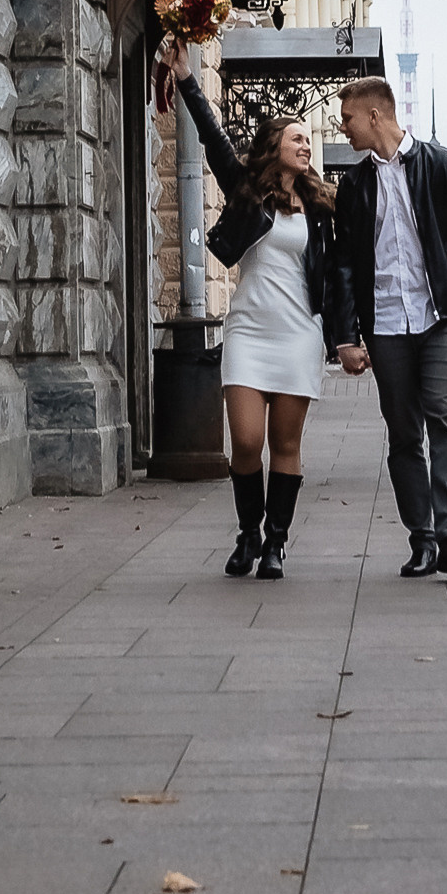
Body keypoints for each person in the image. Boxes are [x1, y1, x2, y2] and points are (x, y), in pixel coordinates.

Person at [164, 39, 338, 578]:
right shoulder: (247, 193)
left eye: (309, 139)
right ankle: (247, 533)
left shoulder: (322, 207)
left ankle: (275, 544)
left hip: (298, 336)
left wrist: (349, 333)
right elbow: (216, 143)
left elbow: (342, 276)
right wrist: (189, 80)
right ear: (274, 147)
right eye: (297, 138)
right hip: (248, 333)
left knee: (285, 445)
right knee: (245, 442)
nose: (306, 146)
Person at [330, 73, 447, 580]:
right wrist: (346, 335)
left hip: (442, 315)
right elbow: (343, 266)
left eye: (349, 118)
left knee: (445, 416)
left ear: (375, 114)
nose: (343, 128)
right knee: (403, 434)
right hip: (385, 323)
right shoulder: (354, 185)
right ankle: (421, 538)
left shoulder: (445, 165)